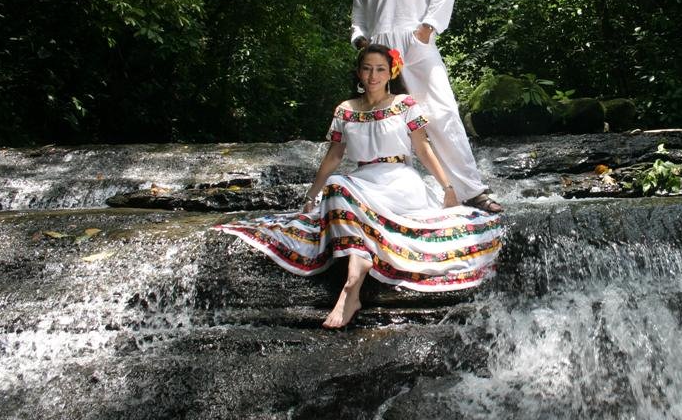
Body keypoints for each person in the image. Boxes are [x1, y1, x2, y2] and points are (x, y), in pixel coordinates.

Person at [215, 44, 503, 328]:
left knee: (340, 187)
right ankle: (357, 270)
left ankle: (352, 285)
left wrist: (448, 188)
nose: (373, 75)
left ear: (391, 72)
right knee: (337, 184)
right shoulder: (345, 110)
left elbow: (424, 149)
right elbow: (334, 156)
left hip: (401, 180)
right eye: (367, 69)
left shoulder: (405, 105)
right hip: (363, 180)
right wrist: (311, 195)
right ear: (358, 73)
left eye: (380, 69)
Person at [350, 0, 503, 214]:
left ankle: (471, 190)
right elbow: (360, 10)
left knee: (443, 112)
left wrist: (427, 28)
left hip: (417, 44)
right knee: (382, 122)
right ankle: (386, 200)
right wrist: (362, 40)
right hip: (378, 50)